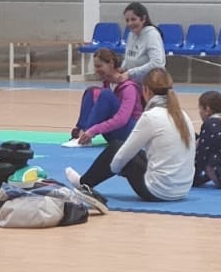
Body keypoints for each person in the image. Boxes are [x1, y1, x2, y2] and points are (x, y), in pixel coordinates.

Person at [64, 69, 196, 202]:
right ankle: (85, 183)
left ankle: (84, 183)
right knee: (136, 154)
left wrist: (116, 169)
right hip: (183, 189)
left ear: (146, 91)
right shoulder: (182, 115)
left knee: (116, 146)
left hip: (158, 191)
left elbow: (121, 156)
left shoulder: (151, 117)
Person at [66, 48, 142, 148]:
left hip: (131, 133)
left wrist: (93, 130)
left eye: (99, 66)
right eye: (95, 67)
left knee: (105, 94)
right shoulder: (107, 85)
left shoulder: (129, 88)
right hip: (113, 135)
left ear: (111, 63)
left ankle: (85, 133)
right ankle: (81, 132)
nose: (97, 70)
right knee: (92, 91)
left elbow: (122, 119)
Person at [120, 2, 165, 83]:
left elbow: (157, 64)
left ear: (143, 18)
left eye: (133, 19)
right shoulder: (130, 35)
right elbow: (128, 58)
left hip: (152, 85)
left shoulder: (152, 35)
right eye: (127, 20)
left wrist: (130, 73)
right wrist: (121, 69)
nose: (130, 23)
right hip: (134, 84)